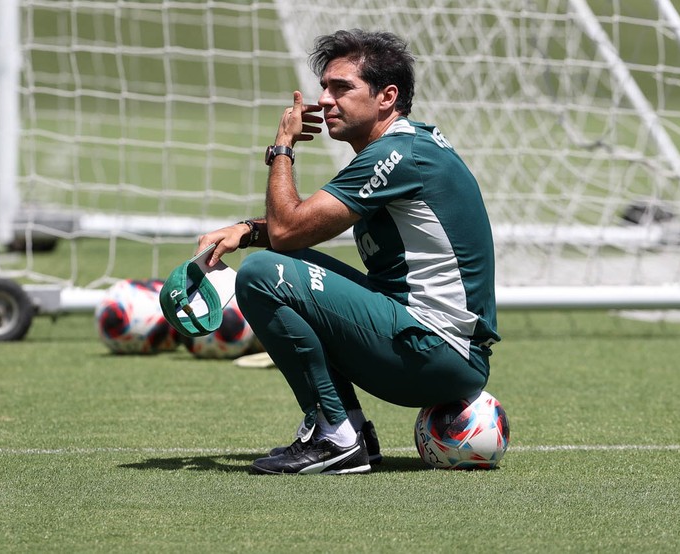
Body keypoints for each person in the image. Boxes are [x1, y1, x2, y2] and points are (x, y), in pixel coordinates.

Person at [195, 29, 499, 475]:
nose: (325, 100)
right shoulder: (400, 148)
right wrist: (246, 230)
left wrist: (283, 147)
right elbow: (296, 231)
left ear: (386, 97)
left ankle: (336, 435)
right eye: (324, 87)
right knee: (279, 264)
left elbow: (286, 230)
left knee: (263, 272)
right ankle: (347, 432)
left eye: (342, 88)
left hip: (436, 351)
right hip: (434, 347)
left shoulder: (396, 154)